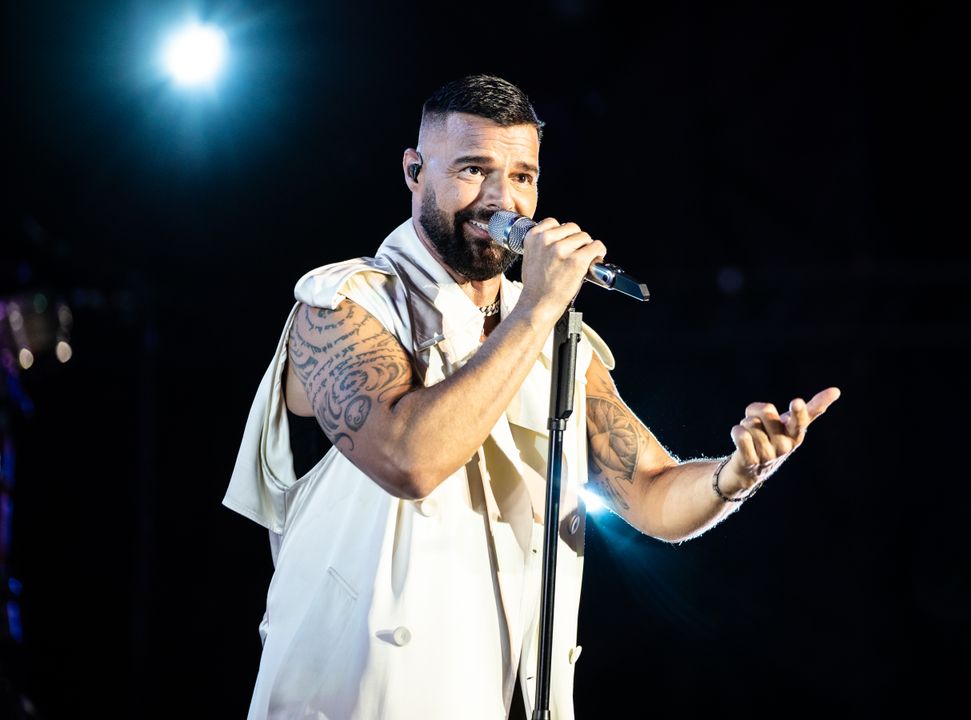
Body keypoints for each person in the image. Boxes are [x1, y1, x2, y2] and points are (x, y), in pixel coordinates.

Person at [224, 73, 841, 719]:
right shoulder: (344, 304)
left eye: (523, 176)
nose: (503, 200)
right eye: (472, 169)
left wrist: (738, 473)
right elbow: (410, 461)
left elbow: (654, 494)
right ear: (414, 171)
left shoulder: (551, 335)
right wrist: (540, 306)